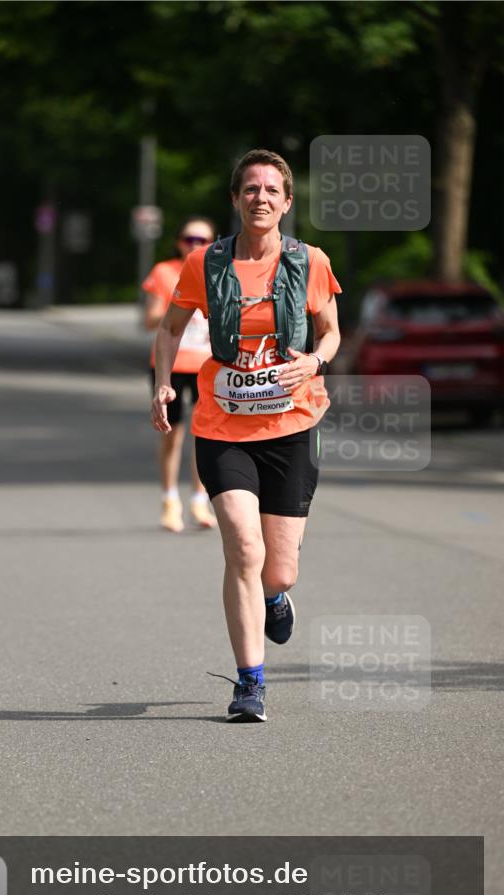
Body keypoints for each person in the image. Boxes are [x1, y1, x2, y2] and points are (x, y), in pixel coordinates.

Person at [151, 150, 341, 722]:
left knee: (277, 571)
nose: (261, 197)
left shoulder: (309, 263)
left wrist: (313, 363)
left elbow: (331, 334)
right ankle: (249, 683)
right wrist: (162, 382)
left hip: (292, 424)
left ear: (286, 202)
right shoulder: (203, 265)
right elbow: (168, 328)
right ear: (235, 199)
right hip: (222, 424)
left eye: (271, 190)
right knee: (242, 546)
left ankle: (277, 596)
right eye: (250, 189)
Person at [143, 217, 217, 532]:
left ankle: (200, 501)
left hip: (208, 365)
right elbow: (150, 321)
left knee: (205, 437)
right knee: (172, 436)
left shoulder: (221, 271)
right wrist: (181, 305)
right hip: (170, 366)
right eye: (190, 239)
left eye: (203, 240)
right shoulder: (164, 272)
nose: (196, 245)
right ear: (179, 242)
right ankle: (170, 500)